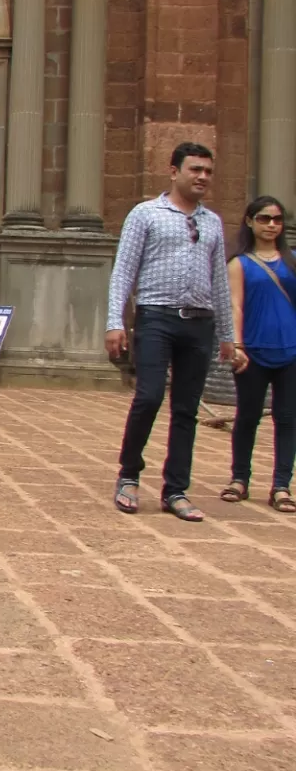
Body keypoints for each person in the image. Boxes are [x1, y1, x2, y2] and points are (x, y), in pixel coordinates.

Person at [106, 142, 236, 521]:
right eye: (195, 169)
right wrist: (116, 321)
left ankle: (176, 489)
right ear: (174, 171)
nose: (202, 177)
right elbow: (123, 271)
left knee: (186, 409)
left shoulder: (212, 222)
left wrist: (227, 333)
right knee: (147, 397)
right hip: (156, 317)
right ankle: (129, 475)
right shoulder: (145, 214)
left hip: (200, 323)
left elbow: (220, 282)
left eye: (208, 172)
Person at [221, 196, 296, 513]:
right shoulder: (239, 263)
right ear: (250, 221)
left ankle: (281, 484)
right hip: (252, 352)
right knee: (247, 417)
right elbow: (235, 305)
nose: (271, 225)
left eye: (277, 219)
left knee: (288, 418)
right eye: (264, 218)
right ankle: (239, 479)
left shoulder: (292, 262)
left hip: (290, 351)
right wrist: (236, 345)